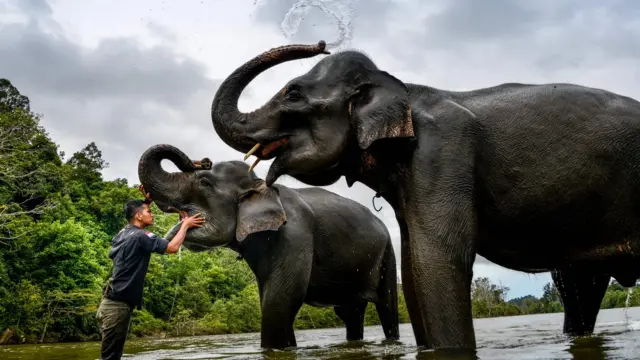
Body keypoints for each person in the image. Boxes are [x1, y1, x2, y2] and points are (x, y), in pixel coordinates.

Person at [96, 186, 204, 360]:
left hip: (109, 305)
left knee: (111, 356)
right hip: (116, 308)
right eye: (148, 211)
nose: (152, 214)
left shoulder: (123, 233)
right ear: (138, 216)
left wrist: (146, 202)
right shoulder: (141, 236)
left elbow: (135, 217)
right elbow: (172, 247)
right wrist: (185, 225)